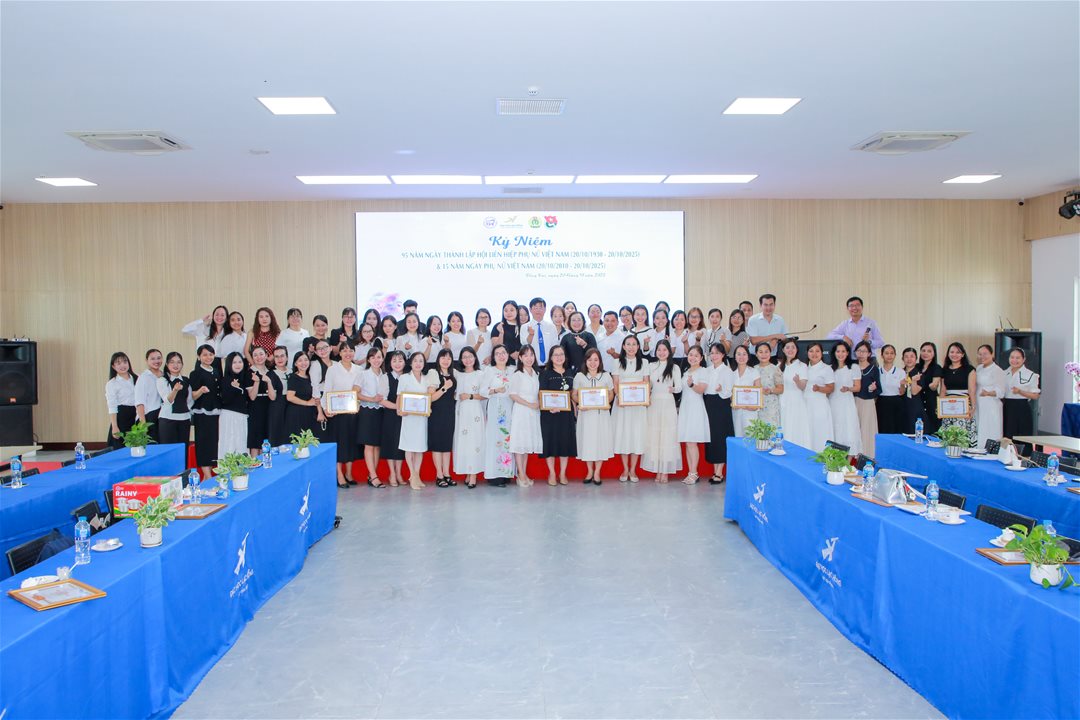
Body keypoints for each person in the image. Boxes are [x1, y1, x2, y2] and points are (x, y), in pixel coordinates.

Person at [323, 343, 362, 488]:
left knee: (351, 443)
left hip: (353, 412)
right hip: (337, 413)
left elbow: (360, 390)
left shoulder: (359, 369)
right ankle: (339, 474)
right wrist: (326, 408)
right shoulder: (333, 369)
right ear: (339, 353)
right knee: (339, 443)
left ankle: (349, 473)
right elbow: (327, 390)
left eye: (351, 350)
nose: (348, 353)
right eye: (344, 350)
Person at [612, 334, 650, 482]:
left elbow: (646, 383)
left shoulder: (644, 362)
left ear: (638, 347)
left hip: (638, 406)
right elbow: (616, 383)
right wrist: (620, 397)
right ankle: (625, 469)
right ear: (623, 346)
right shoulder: (617, 362)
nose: (631, 347)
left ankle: (633, 470)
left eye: (634, 344)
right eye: (628, 344)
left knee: (636, 435)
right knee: (624, 434)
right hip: (623, 405)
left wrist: (644, 398)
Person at [574, 348, 614, 484]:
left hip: (601, 415)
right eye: (590, 359)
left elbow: (611, 394)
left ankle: (597, 472)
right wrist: (580, 402)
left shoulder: (606, 376)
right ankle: (589, 471)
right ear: (585, 361)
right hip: (586, 415)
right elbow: (574, 394)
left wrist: (606, 402)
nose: (593, 362)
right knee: (587, 442)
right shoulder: (579, 376)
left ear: (600, 361)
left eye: (596, 360)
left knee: (600, 442)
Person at [539, 345, 576, 485]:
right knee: (550, 442)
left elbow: (573, 393)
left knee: (565, 443)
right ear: (551, 357)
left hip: (566, 415)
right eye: (556, 355)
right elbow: (541, 394)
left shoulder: (570, 372)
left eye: (561, 354)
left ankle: (562, 473)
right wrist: (550, 407)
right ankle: (552, 473)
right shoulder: (545, 373)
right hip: (550, 414)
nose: (559, 357)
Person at [479, 345, 515, 486]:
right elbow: (482, 391)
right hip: (495, 406)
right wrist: (495, 390)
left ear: (508, 355)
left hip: (510, 406)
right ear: (493, 357)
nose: (501, 356)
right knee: (495, 439)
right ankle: (494, 475)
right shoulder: (490, 370)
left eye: (503, 352)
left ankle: (506, 473)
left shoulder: (513, 370)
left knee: (508, 438)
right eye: (497, 353)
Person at [398, 352, 434, 490]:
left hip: (421, 418)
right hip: (409, 417)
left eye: (421, 361)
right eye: (415, 361)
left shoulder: (426, 379)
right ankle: (412, 475)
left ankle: (417, 475)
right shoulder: (404, 377)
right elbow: (400, 396)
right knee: (409, 447)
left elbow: (428, 398)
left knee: (419, 448)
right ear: (411, 363)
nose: (418, 363)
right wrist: (400, 409)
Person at [508, 345, 543, 486]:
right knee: (519, 443)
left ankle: (524, 473)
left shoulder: (536, 374)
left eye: (531, 355)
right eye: (526, 355)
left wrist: (538, 403)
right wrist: (529, 404)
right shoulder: (517, 375)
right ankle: (521, 476)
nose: (529, 358)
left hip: (533, 411)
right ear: (520, 358)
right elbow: (513, 395)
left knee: (526, 444)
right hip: (521, 411)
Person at [703, 343, 736, 483]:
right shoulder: (707, 370)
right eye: (712, 353)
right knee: (712, 437)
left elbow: (729, 392)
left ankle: (719, 472)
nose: (714, 355)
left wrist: (721, 389)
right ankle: (715, 470)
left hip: (721, 404)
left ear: (723, 355)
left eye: (717, 353)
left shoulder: (727, 371)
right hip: (709, 403)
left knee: (721, 436)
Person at [453, 347, 485, 488]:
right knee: (463, 442)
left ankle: (473, 475)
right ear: (461, 359)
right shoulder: (458, 374)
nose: (467, 359)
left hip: (475, 411)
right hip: (461, 412)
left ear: (475, 357)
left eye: (470, 356)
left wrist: (470, 396)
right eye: (464, 357)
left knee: (474, 441)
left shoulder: (481, 374)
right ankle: (467, 471)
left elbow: (485, 395)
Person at [678, 345, 710, 484]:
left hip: (695, 408)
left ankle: (694, 473)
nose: (693, 358)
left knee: (692, 441)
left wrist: (692, 385)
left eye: (696, 355)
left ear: (701, 358)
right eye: (691, 354)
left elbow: (701, 390)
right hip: (685, 408)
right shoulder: (686, 371)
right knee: (687, 442)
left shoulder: (703, 371)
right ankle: (690, 472)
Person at [189, 344, 221, 478]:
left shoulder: (216, 371)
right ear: (199, 357)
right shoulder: (195, 373)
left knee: (214, 442)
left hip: (216, 411)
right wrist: (201, 391)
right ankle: (207, 476)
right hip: (202, 412)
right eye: (205, 355)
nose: (208, 357)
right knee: (203, 443)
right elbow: (193, 396)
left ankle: (210, 475)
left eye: (211, 354)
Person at [355, 347, 386, 487]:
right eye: (373, 357)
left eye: (379, 357)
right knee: (369, 444)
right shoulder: (363, 374)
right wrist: (371, 399)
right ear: (368, 359)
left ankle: (371, 474)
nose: (376, 360)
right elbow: (355, 393)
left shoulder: (385, 375)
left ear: (382, 359)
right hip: (367, 411)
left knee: (377, 445)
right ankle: (374, 476)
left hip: (381, 411)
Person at [428, 349, 458, 488]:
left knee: (446, 445)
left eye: (448, 358)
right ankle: (439, 475)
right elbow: (430, 397)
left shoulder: (453, 374)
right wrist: (444, 388)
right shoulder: (433, 373)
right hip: (436, 413)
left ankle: (447, 474)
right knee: (438, 445)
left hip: (450, 413)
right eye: (443, 358)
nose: (446, 361)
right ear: (438, 359)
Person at [939, 342, 977, 447]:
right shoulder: (944, 370)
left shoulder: (969, 369)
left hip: (963, 408)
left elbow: (972, 390)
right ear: (948, 354)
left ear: (963, 354)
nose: (954, 354)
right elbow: (943, 390)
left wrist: (973, 408)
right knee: (948, 438)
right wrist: (939, 407)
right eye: (952, 352)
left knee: (962, 438)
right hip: (948, 408)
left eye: (958, 352)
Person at [378, 351, 407, 487]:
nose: (397, 363)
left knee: (401, 445)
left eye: (400, 360)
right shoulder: (385, 377)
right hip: (390, 415)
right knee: (391, 444)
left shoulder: (408, 377)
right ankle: (392, 474)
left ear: (405, 362)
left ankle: (399, 473)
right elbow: (381, 400)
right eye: (394, 361)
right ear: (390, 363)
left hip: (405, 416)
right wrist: (398, 407)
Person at [829, 341, 862, 456]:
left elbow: (857, 387)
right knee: (835, 429)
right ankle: (835, 460)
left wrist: (848, 389)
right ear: (834, 353)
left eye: (843, 351)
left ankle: (848, 462)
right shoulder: (830, 368)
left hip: (847, 403)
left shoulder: (853, 367)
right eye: (838, 351)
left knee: (848, 430)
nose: (840, 354)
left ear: (848, 353)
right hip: (833, 403)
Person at [246, 346, 280, 456]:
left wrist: (269, 382)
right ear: (252, 358)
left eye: (261, 354)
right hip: (255, 409)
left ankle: (265, 464)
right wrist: (256, 382)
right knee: (255, 441)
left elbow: (273, 397)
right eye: (255, 355)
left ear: (266, 356)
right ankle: (254, 464)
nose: (258, 357)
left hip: (269, 408)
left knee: (266, 441)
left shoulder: (271, 373)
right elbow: (252, 397)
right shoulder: (249, 373)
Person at [777, 339, 811, 449]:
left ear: (797, 350)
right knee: (784, 427)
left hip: (796, 401)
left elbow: (803, 386)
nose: (790, 350)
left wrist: (797, 381)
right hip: (782, 400)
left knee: (796, 427)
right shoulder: (778, 366)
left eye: (793, 347)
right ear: (783, 350)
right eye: (787, 347)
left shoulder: (802, 365)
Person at [1003, 347, 1041, 442]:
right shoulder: (1004, 373)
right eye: (1012, 357)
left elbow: (1035, 395)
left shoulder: (1031, 375)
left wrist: (1020, 391)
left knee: (1023, 435)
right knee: (1007, 434)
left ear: (1023, 359)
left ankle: (1024, 451)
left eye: (1018, 358)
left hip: (1022, 407)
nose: (1014, 360)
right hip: (1007, 407)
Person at [803, 343, 836, 452]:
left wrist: (819, 389)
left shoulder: (826, 368)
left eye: (817, 351)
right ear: (807, 353)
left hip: (819, 405)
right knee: (807, 432)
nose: (814, 354)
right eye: (811, 351)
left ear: (822, 353)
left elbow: (831, 388)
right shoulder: (804, 368)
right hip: (805, 404)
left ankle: (821, 455)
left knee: (820, 431)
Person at [218, 352, 251, 458]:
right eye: (234, 362)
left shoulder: (244, 379)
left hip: (242, 416)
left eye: (240, 362)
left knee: (242, 444)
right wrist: (235, 389)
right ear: (229, 364)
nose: (238, 365)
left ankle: (243, 467)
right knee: (229, 444)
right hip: (229, 416)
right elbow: (225, 400)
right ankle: (226, 467)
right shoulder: (226, 379)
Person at [975, 344, 1007, 449]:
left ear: (992, 354)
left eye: (985, 354)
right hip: (979, 403)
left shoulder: (997, 370)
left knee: (990, 428)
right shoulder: (979, 368)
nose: (982, 356)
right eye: (980, 354)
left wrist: (988, 393)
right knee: (980, 427)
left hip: (991, 404)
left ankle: (991, 450)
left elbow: (1001, 391)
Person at [156, 352, 191, 446]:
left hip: (184, 419)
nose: (176, 365)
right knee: (169, 449)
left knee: (183, 449)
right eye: (172, 362)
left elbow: (190, 400)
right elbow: (168, 401)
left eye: (179, 362)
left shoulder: (186, 380)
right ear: (167, 364)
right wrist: (175, 390)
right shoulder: (162, 380)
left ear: (182, 364)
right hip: (168, 419)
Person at [284, 351, 320, 442]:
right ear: (295, 364)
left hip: (309, 414)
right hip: (297, 414)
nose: (303, 363)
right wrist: (307, 403)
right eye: (300, 360)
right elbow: (290, 397)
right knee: (298, 442)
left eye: (306, 360)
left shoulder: (310, 377)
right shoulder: (293, 377)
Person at [853, 341, 880, 456]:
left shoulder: (874, 369)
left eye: (864, 351)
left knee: (866, 430)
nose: (861, 354)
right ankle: (853, 456)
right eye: (859, 351)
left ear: (869, 354)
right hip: (853, 402)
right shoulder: (851, 367)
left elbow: (879, 389)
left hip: (867, 403)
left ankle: (866, 456)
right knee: (854, 429)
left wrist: (872, 389)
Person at [105, 351, 137, 449]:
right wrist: (115, 426)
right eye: (118, 363)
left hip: (136, 415)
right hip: (122, 417)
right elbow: (112, 406)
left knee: (137, 446)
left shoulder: (137, 378)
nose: (123, 365)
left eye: (125, 362)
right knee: (120, 447)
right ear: (113, 366)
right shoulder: (112, 383)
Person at [875, 345, 906, 436]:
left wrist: (902, 384)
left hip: (896, 403)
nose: (889, 355)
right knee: (882, 428)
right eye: (886, 353)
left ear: (895, 355)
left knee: (896, 429)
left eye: (892, 353)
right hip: (881, 403)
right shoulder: (877, 371)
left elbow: (902, 392)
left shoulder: (900, 372)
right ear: (882, 355)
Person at [135, 349, 164, 443]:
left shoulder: (165, 375)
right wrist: (143, 424)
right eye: (153, 359)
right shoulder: (143, 377)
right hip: (148, 417)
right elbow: (139, 402)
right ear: (147, 360)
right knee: (152, 447)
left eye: (158, 358)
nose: (156, 361)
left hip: (162, 416)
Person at [731, 345, 760, 436]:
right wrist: (733, 401)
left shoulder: (754, 372)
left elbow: (758, 392)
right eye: (738, 354)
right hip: (736, 411)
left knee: (751, 437)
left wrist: (753, 406)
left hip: (750, 411)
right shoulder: (731, 373)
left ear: (748, 356)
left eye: (744, 354)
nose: (741, 357)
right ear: (735, 356)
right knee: (738, 436)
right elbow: (730, 393)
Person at [916, 342, 943, 436]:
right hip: (918, 401)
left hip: (931, 402)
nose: (925, 353)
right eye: (923, 351)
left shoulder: (936, 367)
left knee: (933, 429)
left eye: (929, 351)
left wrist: (933, 384)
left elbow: (935, 384)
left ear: (934, 353)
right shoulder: (917, 367)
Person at [523, 297, 559, 366]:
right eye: (535, 308)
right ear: (530, 309)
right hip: (531, 365)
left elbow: (555, 347)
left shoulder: (551, 327)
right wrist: (531, 335)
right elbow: (525, 346)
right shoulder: (525, 327)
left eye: (540, 307)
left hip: (549, 365)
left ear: (545, 309)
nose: (538, 310)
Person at [560, 311, 597, 375]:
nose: (576, 322)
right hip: (570, 373)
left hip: (588, 372)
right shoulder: (565, 338)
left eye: (579, 320)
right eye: (573, 320)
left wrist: (584, 345)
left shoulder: (589, 336)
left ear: (583, 322)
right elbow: (561, 356)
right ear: (569, 323)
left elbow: (596, 354)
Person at [755, 343, 782, 427]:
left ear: (770, 353)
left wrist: (770, 390)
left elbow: (781, 389)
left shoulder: (775, 369)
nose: (764, 354)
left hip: (771, 407)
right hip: (756, 407)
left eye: (766, 352)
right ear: (756, 354)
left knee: (771, 430)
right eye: (760, 352)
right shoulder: (753, 369)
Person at [900, 347, 926, 434]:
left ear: (916, 359)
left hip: (914, 408)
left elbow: (914, 392)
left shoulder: (919, 374)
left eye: (912, 356)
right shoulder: (900, 372)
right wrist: (901, 384)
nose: (909, 359)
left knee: (914, 432)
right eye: (906, 356)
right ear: (902, 359)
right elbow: (900, 392)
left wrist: (914, 381)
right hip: (901, 407)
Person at [268, 346, 290, 446]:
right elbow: (272, 397)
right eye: (276, 356)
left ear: (287, 357)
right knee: (278, 435)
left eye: (282, 356)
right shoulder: (271, 374)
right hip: (278, 407)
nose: (280, 359)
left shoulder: (293, 371)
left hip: (292, 406)